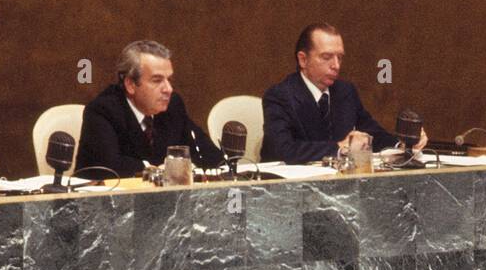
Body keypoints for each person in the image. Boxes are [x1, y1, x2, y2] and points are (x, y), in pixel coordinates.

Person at [260, 23, 426, 164]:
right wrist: (340, 147)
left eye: (340, 57)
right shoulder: (280, 95)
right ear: (303, 60)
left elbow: (372, 133)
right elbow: (282, 150)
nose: (336, 65)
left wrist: (402, 145)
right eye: (327, 57)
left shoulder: (345, 92)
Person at [75, 40, 222, 177]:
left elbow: (205, 153)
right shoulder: (103, 110)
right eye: (157, 80)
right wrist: (157, 170)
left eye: (169, 79)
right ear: (130, 84)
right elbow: (108, 165)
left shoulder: (173, 105)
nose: (168, 89)